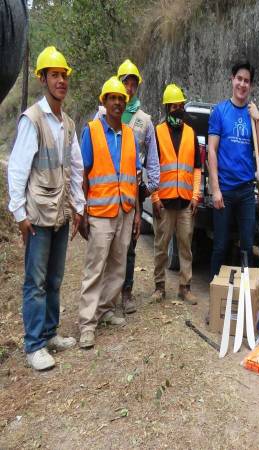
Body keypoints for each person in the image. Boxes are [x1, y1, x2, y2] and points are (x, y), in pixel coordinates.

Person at [7, 46, 84, 370]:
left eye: (64, 75)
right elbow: (17, 168)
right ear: (42, 79)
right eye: (55, 75)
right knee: (35, 281)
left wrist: (79, 206)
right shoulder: (32, 120)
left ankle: (50, 333)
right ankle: (34, 344)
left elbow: (76, 167)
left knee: (54, 278)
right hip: (37, 216)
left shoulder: (67, 123)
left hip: (61, 214)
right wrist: (19, 213)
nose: (61, 80)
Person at [77, 76, 141, 349]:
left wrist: (137, 212)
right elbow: (82, 173)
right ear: (103, 102)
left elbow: (134, 175)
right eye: (112, 98)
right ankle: (86, 324)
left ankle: (105, 310)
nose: (117, 102)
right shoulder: (91, 131)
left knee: (117, 265)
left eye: (121, 99)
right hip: (101, 211)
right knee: (95, 268)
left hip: (125, 210)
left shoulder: (129, 134)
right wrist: (81, 209)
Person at [208, 61, 259, 279]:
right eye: (239, 79)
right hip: (224, 188)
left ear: (250, 85)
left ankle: (246, 300)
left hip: (245, 192)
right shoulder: (220, 111)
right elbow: (212, 151)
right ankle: (216, 298)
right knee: (220, 246)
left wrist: (258, 121)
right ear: (232, 79)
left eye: (247, 81)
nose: (242, 84)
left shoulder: (252, 115)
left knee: (247, 247)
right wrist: (215, 189)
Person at [150, 84, 201, 305]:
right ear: (166, 107)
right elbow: (151, 167)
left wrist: (196, 196)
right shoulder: (157, 132)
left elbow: (197, 168)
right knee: (161, 246)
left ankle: (185, 287)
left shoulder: (191, 133)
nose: (177, 109)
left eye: (180, 105)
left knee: (185, 246)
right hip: (164, 201)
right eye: (173, 105)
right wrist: (154, 197)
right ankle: (159, 286)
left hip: (185, 202)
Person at [115, 59, 159, 314]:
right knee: (110, 246)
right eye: (125, 83)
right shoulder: (104, 114)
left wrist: (149, 187)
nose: (129, 88)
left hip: (133, 192)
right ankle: (107, 296)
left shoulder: (144, 120)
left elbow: (152, 158)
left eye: (133, 84)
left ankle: (127, 292)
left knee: (130, 244)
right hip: (108, 192)